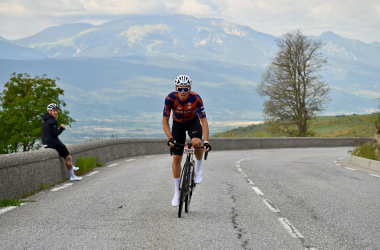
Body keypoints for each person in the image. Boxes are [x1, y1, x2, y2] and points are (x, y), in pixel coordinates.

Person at [163, 75, 211, 207]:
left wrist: (206, 141)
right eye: (180, 89)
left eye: (185, 89)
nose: (183, 92)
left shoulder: (196, 98)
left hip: (192, 122)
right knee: (177, 158)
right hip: (177, 124)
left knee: (196, 142)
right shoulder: (170, 99)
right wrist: (170, 138)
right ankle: (177, 192)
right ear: (176, 89)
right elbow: (165, 121)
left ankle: (199, 167)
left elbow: (204, 121)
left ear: (189, 89)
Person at [42, 103, 82, 181]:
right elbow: (56, 133)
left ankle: (71, 167)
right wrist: (61, 128)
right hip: (53, 144)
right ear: (49, 111)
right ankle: (72, 176)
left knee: (65, 147)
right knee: (68, 157)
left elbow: (52, 135)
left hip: (47, 143)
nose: (56, 112)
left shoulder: (45, 121)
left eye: (56, 111)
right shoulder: (53, 121)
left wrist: (62, 144)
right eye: (54, 111)